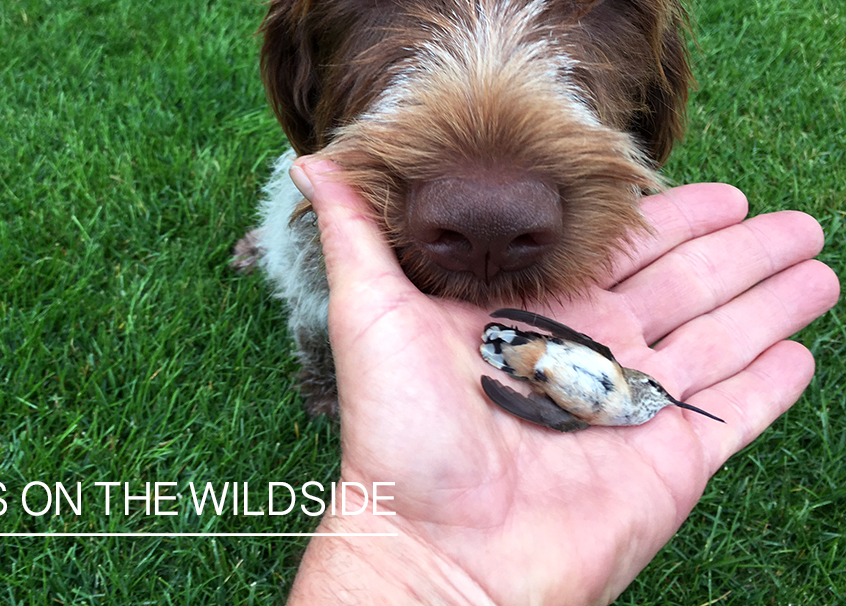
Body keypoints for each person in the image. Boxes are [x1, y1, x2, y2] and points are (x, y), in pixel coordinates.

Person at [285, 156, 840, 606]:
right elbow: (574, 342)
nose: (656, 403)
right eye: (654, 396)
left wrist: (534, 408)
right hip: (538, 352)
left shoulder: (592, 418)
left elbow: (560, 412)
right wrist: (422, 556)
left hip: (538, 373)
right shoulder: (607, 367)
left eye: (660, 401)